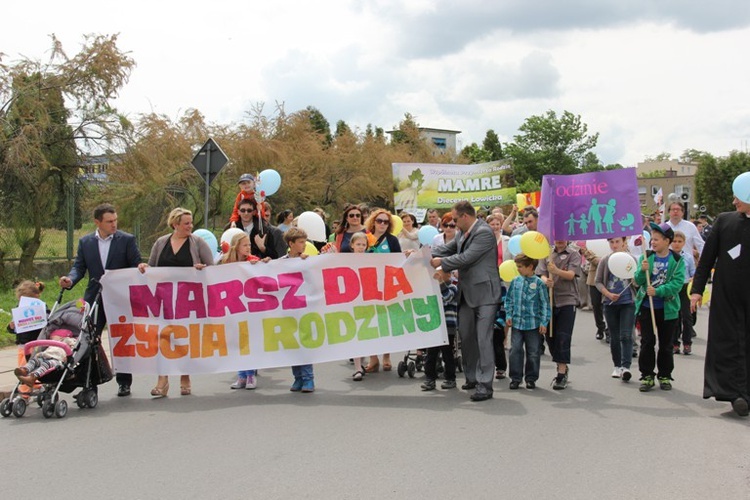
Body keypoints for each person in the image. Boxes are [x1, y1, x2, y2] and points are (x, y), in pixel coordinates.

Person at [59, 203, 142, 397]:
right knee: (88, 339)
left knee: (121, 339)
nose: (114, 224)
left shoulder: (126, 240)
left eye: (115, 220)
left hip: (119, 297)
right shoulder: (86, 242)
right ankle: (89, 382)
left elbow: (135, 263)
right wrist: (70, 279)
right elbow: (79, 267)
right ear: (97, 222)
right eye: (109, 221)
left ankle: (124, 382)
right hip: (94, 297)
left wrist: (141, 267)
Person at [138, 207, 214, 398]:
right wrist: (144, 267)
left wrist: (201, 269)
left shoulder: (197, 243)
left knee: (183, 336)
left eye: (191, 223)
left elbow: (213, 269)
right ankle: (162, 381)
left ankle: (185, 376)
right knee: (162, 337)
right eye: (186, 223)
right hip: (163, 298)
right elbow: (153, 267)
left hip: (187, 300)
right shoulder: (161, 242)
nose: (190, 226)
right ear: (175, 224)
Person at [431, 201, 502, 402]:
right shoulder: (463, 232)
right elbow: (448, 248)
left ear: (465, 216)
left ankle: (485, 385)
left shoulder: (484, 232)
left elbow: (466, 258)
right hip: (467, 294)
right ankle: (472, 377)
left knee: (483, 338)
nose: (453, 223)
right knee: (467, 337)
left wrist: (441, 264)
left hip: (486, 294)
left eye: (454, 219)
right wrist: (423, 255)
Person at [690, 184, 750, 417]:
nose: (734, 202)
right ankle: (735, 394)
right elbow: (706, 260)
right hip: (727, 297)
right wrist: (696, 290)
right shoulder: (724, 221)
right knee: (728, 344)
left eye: (738, 198)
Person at [634, 222, 685, 392]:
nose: (653, 242)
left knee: (666, 343)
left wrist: (658, 291)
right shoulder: (646, 256)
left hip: (668, 309)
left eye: (656, 239)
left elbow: (677, 284)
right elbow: (637, 281)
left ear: (667, 241)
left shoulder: (677, 261)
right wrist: (642, 271)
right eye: (652, 239)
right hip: (647, 307)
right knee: (647, 341)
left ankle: (664, 374)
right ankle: (647, 375)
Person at [538, 240, 582, 390]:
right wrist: (546, 280)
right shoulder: (546, 253)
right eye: (557, 237)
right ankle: (560, 363)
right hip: (549, 300)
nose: (560, 241)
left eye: (563, 237)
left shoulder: (573, 254)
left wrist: (556, 271)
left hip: (567, 300)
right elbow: (541, 273)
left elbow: (571, 275)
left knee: (563, 336)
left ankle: (561, 374)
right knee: (550, 337)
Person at [222, 232, 261, 390]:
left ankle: (250, 374)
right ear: (236, 246)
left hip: (249, 307)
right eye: (245, 245)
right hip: (233, 307)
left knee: (248, 341)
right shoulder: (225, 262)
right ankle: (241, 375)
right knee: (236, 341)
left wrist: (263, 264)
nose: (248, 248)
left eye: (249, 245)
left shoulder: (253, 261)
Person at [505, 254, 550, 390]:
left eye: (520, 267)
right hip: (517, 323)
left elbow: (545, 304)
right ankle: (515, 378)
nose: (518, 269)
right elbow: (509, 299)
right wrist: (509, 313)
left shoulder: (539, 283)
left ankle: (531, 378)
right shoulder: (515, 281)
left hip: (533, 324)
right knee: (515, 350)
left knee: (533, 352)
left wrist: (544, 322)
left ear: (530, 267)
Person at [364, 209, 402, 372]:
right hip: (367, 285)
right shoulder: (365, 238)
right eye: (379, 221)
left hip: (386, 286)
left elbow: (399, 261)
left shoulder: (392, 240)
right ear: (373, 222)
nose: (382, 224)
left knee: (386, 321)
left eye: (386, 222)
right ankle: (373, 358)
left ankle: (386, 356)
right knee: (369, 321)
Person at [595, 237, 637, 382]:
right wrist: (608, 294)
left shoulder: (631, 259)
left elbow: (637, 282)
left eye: (617, 242)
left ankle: (626, 367)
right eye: (612, 242)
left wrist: (640, 273)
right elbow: (598, 281)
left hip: (627, 303)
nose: (614, 245)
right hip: (610, 304)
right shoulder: (605, 260)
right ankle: (617, 366)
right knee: (614, 336)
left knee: (626, 335)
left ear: (624, 243)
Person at [279, 227, 315, 393]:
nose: (304, 245)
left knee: (304, 342)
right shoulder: (281, 262)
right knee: (293, 343)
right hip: (288, 308)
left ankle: (308, 379)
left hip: (303, 307)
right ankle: (298, 378)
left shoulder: (306, 260)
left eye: (305, 242)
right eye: (300, 242)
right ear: (291, 243)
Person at [7, 281, 49, 395]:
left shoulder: (42, 307)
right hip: (23, 343)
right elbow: (13, 327)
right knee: (22, 367)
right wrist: (11, 327)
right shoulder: (19, 309)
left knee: (32, 366)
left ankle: (29, 389)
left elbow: (48, 321)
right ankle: (30, 387)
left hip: (36, 342)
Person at [420, 270, 458, 391]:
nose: (438, 276)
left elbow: (447, 297)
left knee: (448, 354)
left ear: (448, 275)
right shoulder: (432, 288)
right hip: (435, 326)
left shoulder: (453, 288)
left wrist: (441, 283)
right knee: (431, 354)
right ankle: (430, 379)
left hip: (447, 326)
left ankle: (450, 378)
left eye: (441, 274)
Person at [670, 231, 696, 355]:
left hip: (685, 288)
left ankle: (687, 343)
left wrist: (692, 279)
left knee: (686, 316)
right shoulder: (668, 256)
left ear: (684, 243)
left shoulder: (688, 257)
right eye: (674, 241)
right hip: (673, 288)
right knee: (675, 316)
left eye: (679, 242)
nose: (676, 244)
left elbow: (693, 273)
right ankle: (674, 343)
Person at [349, 232, 370, 381]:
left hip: (367, 299)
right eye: (358, 244)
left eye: (363, 245)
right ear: (352, 245)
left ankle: (362, 362)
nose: (361, 247)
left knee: (366, 331)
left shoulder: (371, 260)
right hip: (352, 300)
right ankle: (357, 367)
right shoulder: (346, 259)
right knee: (355, 332)